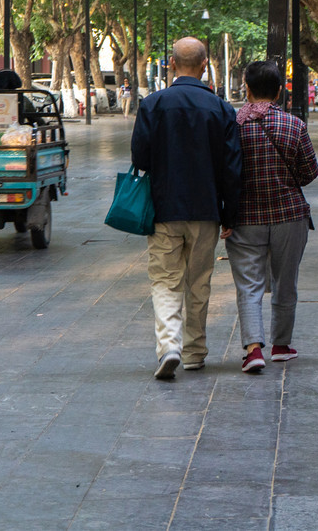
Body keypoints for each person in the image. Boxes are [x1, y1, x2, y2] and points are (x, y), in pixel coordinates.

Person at [131, 37, 242, 380]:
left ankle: (169, 347)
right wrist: (230, 213)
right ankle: (194, 351)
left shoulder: (152, 104)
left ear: (171, 65)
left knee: (165, 280)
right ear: (205, 65)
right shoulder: (221, 109)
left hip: (164, 207)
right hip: (207, 208)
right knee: (199, 281)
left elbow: (140, 158)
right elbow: (232, 167)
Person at [222, 61, 318, 373]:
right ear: (280, 90)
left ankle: (253, 350)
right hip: (289, 216)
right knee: (285, 281)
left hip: (244, 218)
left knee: (248, 285)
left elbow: (223, 173)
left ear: (246, 89)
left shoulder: (232, 127)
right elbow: (310, 172)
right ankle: (281, 345)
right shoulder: (294, 125)